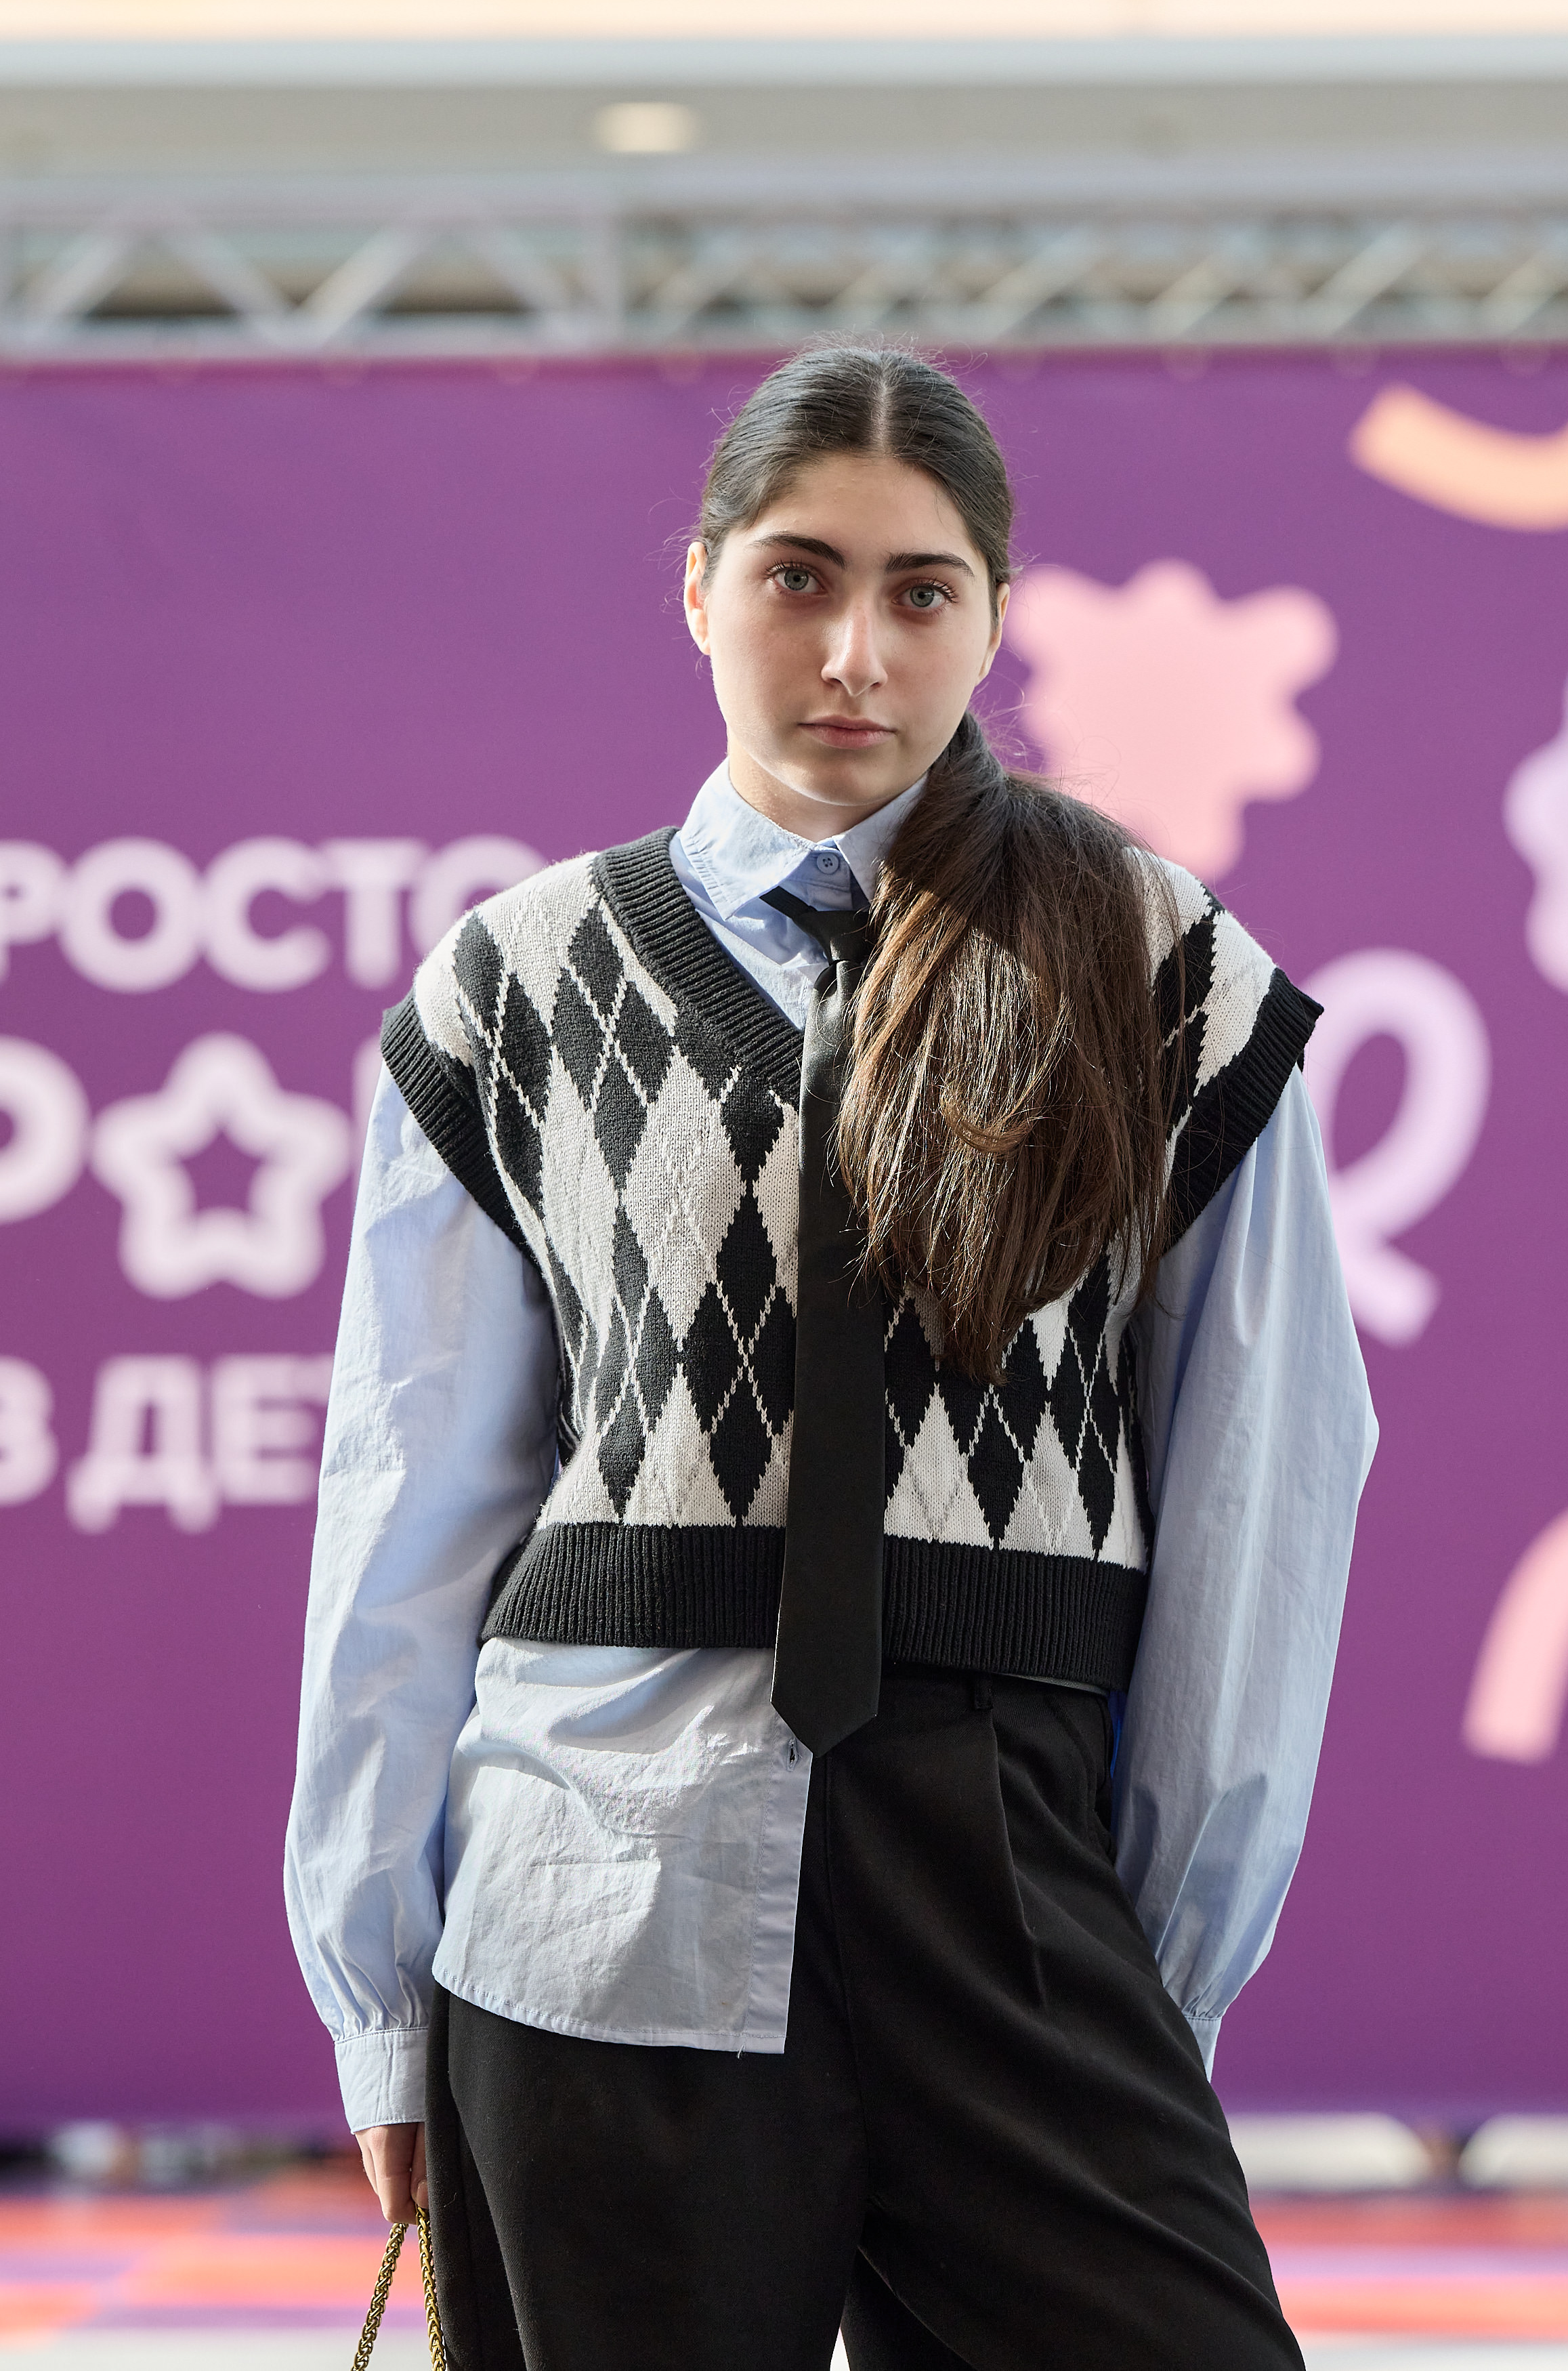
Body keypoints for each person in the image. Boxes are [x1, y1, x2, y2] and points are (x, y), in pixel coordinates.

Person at [286, 344, 1376, 2371]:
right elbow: (411, 1504)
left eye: (919, 590)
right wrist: (375, 1978)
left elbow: (1264, 1497)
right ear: (700, 587)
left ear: (994, 616)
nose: (856, 651)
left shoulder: (1164, 971)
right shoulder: (511, 986)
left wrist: (1155, 1963)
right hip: (597, 1897)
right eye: (798, 576)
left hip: (1016, 1895)